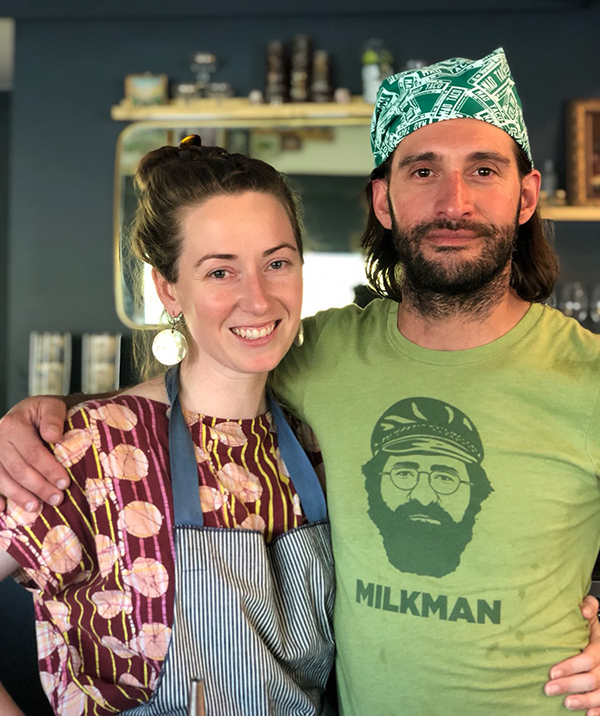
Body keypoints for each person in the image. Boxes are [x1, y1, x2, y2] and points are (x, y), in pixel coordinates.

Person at [1, 47, 600, 714]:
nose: (452, 200)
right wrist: (43, 419)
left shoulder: (587, 379)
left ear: (526, 195)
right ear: (383, 201)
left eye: (483, 170)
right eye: (422, 170)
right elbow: (201, 387)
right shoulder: (321, 359)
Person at [0, 136, 335, 715]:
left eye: (277, 263)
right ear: (167, 288)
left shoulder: (314, 443)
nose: (258, 300)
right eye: (220, 271)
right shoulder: (93, 446)